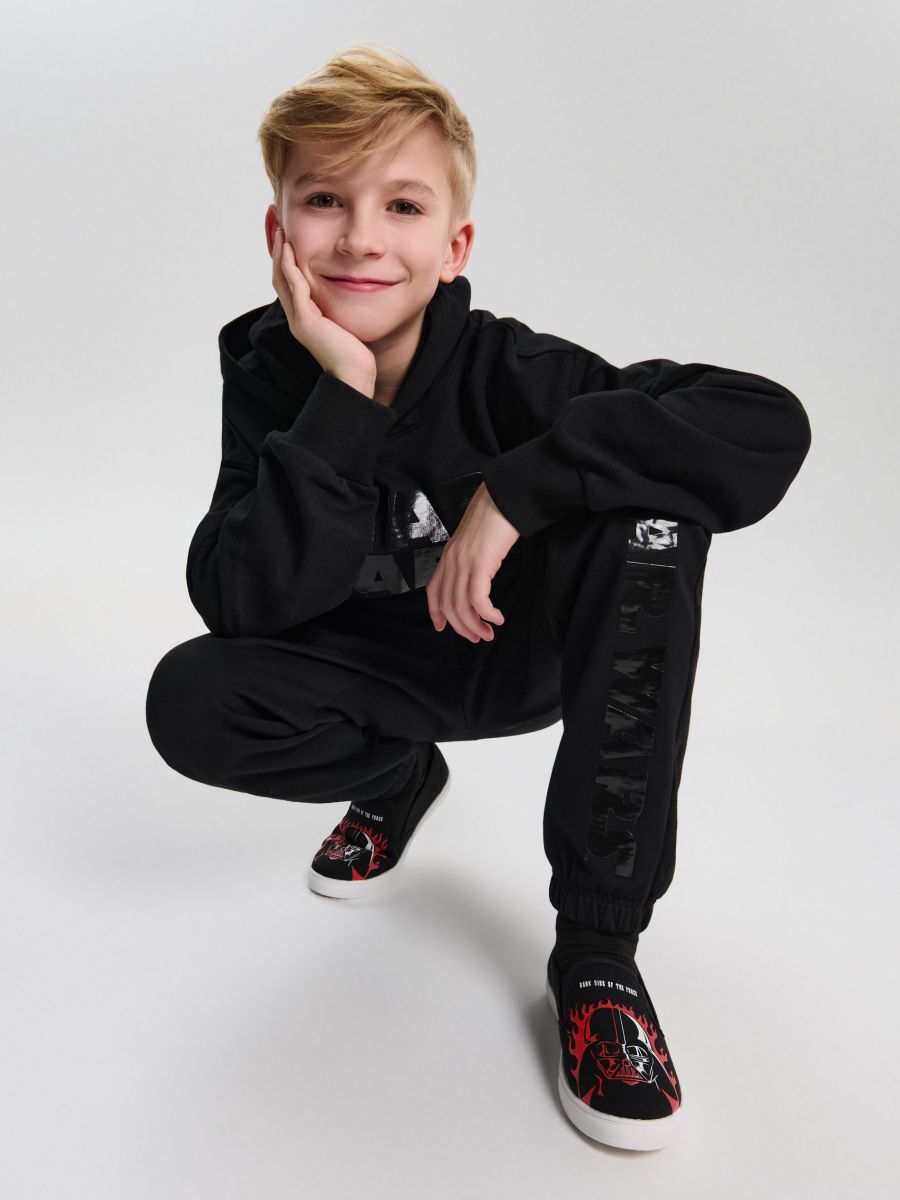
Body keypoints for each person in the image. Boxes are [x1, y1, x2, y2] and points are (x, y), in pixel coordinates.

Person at [145, 43, 812, 1152]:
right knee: (189, 697)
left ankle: (598, 955)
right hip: (370, 673)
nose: (361, 238)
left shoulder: (513, 370)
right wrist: (341, 396)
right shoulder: (267, 368)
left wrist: (517, 490)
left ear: (454, 247)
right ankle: (398, 779)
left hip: (518, 651)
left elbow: (764, 421)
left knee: (649, 522)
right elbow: (236, 598)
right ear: (278, 232)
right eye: (324, 200)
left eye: (403, 206)